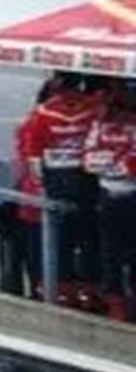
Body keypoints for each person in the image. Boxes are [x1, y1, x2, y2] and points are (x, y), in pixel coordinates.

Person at [15, 71, 105, 309]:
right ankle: (75, 290)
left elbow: (30, 159)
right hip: (72, 191)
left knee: (67, 241)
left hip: (48, 194)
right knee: (84, 239)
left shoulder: (36, 119)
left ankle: (61, 290)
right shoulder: (93, 110)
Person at [83, 80, 136, 322]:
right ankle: (114, 301)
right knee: (110, 252)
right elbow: (89, 162)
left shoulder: (133, 126)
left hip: (131, 196)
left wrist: (112, 162)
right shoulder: (97, 127)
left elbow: (132, 166)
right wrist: (117, 162)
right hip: (108, 197)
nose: (105, 110)